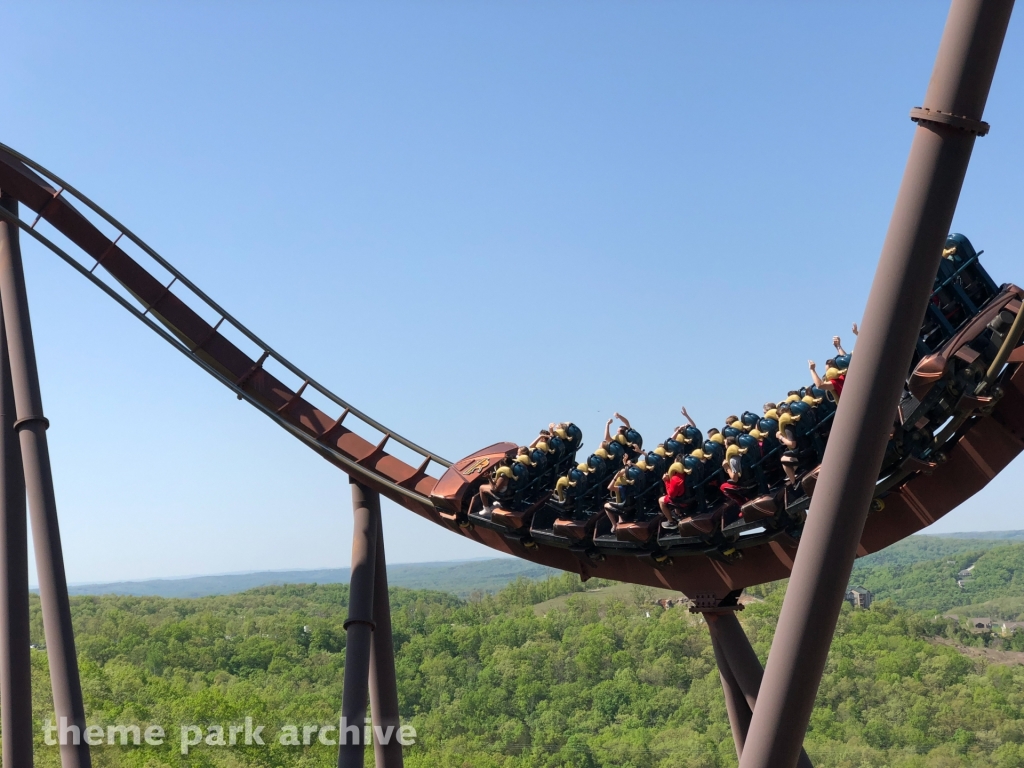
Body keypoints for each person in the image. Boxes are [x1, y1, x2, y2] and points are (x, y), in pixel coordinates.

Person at [659, 462, 687, 530]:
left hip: (683, 502)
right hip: (690, 497)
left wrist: (666, 481)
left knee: (661, 500)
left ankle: (671, 522)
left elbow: (671, 495)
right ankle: (678, 513)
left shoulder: (675, 478)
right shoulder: (686, 473)